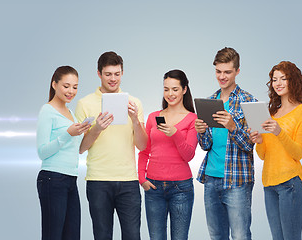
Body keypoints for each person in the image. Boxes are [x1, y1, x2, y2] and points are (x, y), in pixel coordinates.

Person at [75, 51, 148, 240]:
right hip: (98, 181)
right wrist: (97, 128)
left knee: (132, 236)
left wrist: (134, 120)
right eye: (108, 74)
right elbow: (81, 147)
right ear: (99, 74)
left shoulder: (135, 103)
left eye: (117, 74)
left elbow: (142, 145)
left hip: (128, 181)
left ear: (122, 73)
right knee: (102, 235)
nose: (113, 79)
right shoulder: (85, 103)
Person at [195, 47, 257, 240]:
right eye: (218, 71)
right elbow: (206, 145)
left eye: (227, 72)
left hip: (237, 181)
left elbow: (250, 145)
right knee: (216, 236)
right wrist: (201, 131)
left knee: (240, 236)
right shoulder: (210, 101)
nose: (222, 76)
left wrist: (233, 127)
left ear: (237, 71)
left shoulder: (249, 101)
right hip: (211, 179)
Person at [249, 61, 302, 240]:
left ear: (294, 81)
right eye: (275, 79)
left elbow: (298, 153)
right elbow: (263, 155)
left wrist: (279, 132)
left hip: (290, 183)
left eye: (283, 78)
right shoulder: (271, 113)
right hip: (269, 184)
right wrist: (259, 141)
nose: (278, 83)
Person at [138, 69, 198, 240]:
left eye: (175, 89)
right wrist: (142, 177)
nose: (170, 94)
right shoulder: (153, 117)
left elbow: (189, 155)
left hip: (181, 188)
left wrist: (175, 133)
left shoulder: (192, 118)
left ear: (184, 89)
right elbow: (144, 150)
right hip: (153, 188)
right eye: (166, 89)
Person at [36, 66, 91, 240]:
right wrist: (68, 134)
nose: (71, 91)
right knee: (53, 235)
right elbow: (42, 152)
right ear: (54, 84)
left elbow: (79, 148)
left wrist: (93, 130)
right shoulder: (47, 111)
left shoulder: (71, 114)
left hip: (70, 179)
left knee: (72, 235)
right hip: (52, 178)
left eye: (75, 87)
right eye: (66, 86)